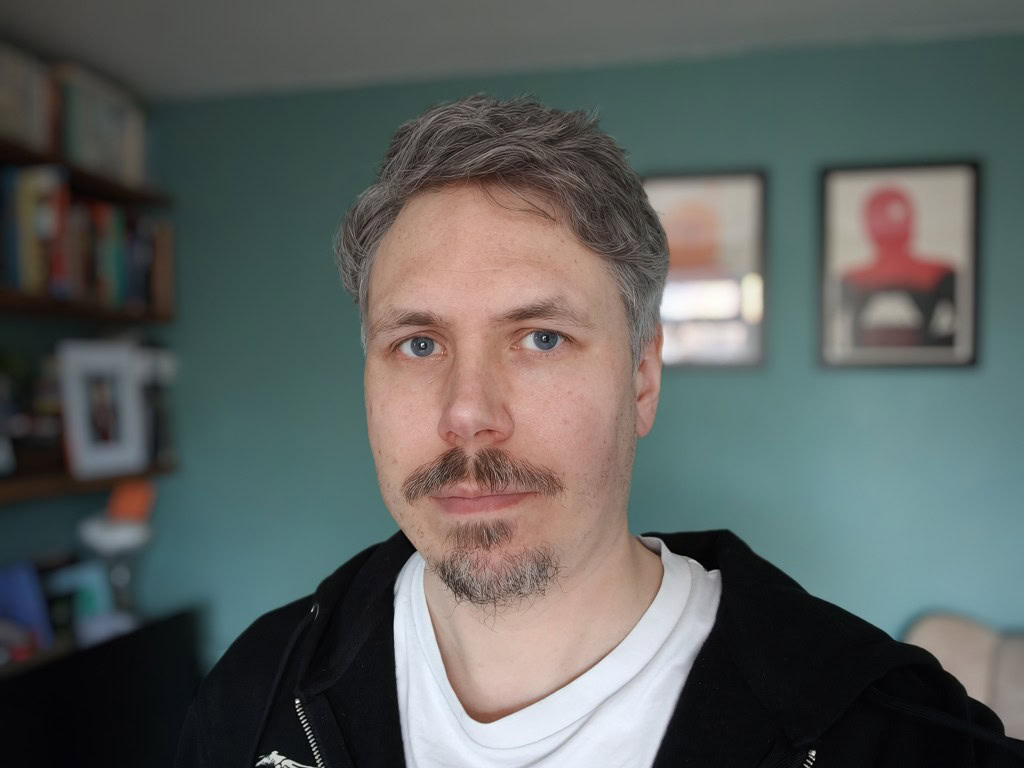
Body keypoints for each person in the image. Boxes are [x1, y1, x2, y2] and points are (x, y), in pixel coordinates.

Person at [175, 95, 1024, 768]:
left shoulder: (890, 734)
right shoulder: (258, 688)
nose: (468, 412)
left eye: (540, 338)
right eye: (419, 343)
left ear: (643, 378)